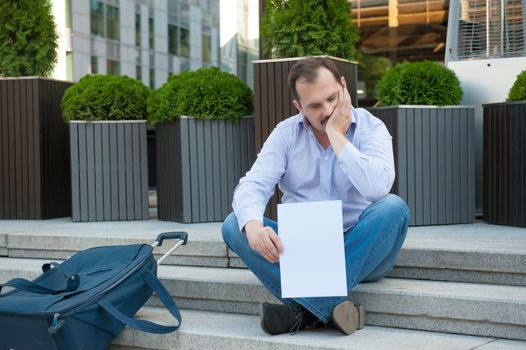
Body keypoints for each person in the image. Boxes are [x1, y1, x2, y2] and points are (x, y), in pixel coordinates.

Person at [222, 57, 410, 336]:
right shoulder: (285, 134)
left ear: (344, 87)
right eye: (314, 106)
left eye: (332, 98)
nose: (327, 110)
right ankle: (332, 309)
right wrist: (253, 225)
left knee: (393, 208)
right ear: (299, 106)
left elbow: (377, 188)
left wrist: (337, 135)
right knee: (234, 225)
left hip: (363, 247)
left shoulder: (372, 127)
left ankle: (302, 313)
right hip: (306, 251)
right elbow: (253, 184)